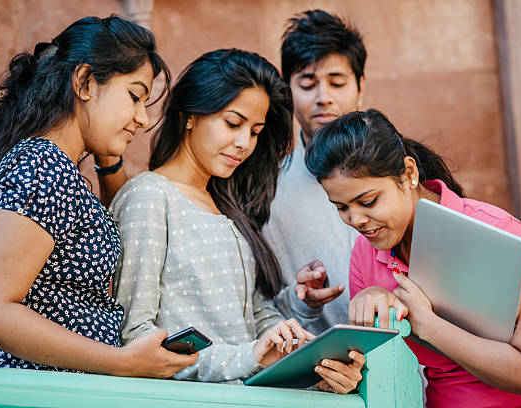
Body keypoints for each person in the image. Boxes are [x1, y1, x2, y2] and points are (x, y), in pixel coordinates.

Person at [110, 49, 365, 393]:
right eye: (233, 123)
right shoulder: (150, 197)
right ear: (189, 116)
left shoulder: (228, 206)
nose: (244, 143)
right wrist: (247, 357)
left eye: (256, 130)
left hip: (252, 397)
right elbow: (136, 333)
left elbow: (255, 317)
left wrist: (307, 355)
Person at [0, 15, 197, 377]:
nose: (142, 119)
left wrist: (108, 155)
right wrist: (121, 362)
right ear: (84, 82)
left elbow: (116, 227)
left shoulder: (53, 166)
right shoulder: (44, 166)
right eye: (134, 96)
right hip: (38, 393)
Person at [304, 108, 521, 407]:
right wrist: (349, 369)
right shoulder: (365, 256)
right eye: (341, 207)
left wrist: (429, 325)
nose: (356, 220)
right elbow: (376, 372)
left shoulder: (496, 232)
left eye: (368, 201)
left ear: (409, 174)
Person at [263, 9, 366, 334]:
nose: (324, 98)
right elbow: (259, 307)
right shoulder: (268, 192)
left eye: (337, 83)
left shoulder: (402, 172)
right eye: (308, 83)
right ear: (287, 90)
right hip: (322, 373)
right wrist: (300, 300)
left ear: (360, 86)